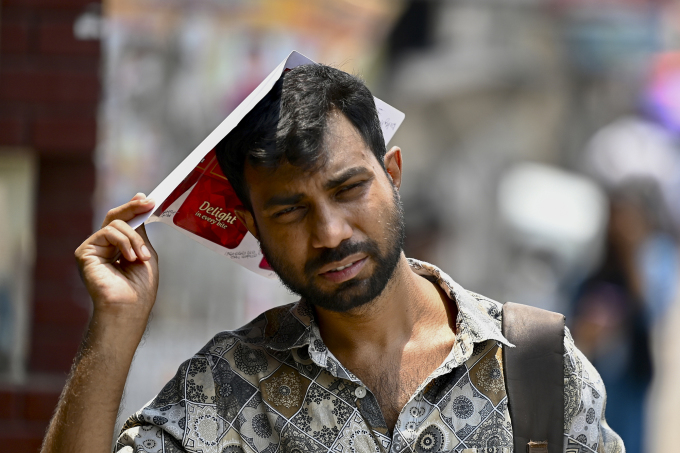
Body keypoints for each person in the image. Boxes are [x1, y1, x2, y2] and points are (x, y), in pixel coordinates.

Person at [40, 64, 624, 453]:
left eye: (348, 190)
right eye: (291, 212)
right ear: (253, 227)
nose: (329, 233)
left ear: (392, 174)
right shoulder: (225, 390)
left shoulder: (535, 366)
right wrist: (113, 327)